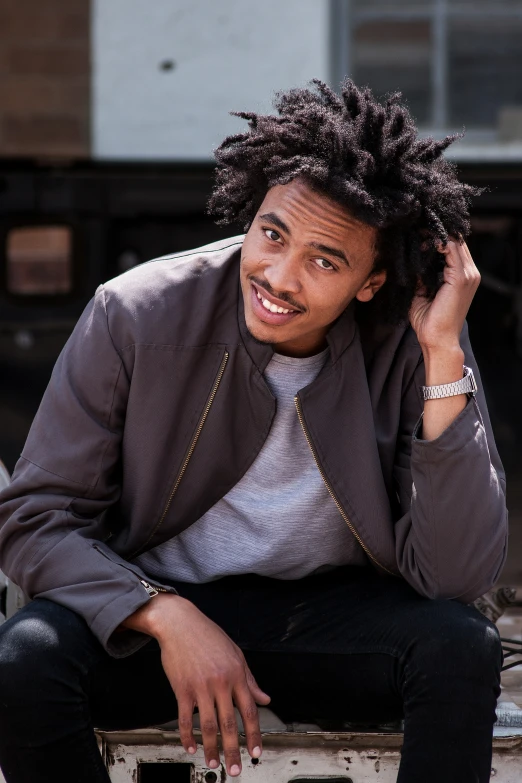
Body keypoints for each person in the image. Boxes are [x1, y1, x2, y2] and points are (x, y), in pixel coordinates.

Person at [0, 80, 507, 783]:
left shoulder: (412, 338)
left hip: (334, 620)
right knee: (26, 655)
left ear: (370, 280)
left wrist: (444, 352)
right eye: (272, 234)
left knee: (462, 647)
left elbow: (456, 574)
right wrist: (162, 613)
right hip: (154, 613)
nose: (277, 275)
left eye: (324, 261)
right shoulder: (135, 315)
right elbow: (36, 518)